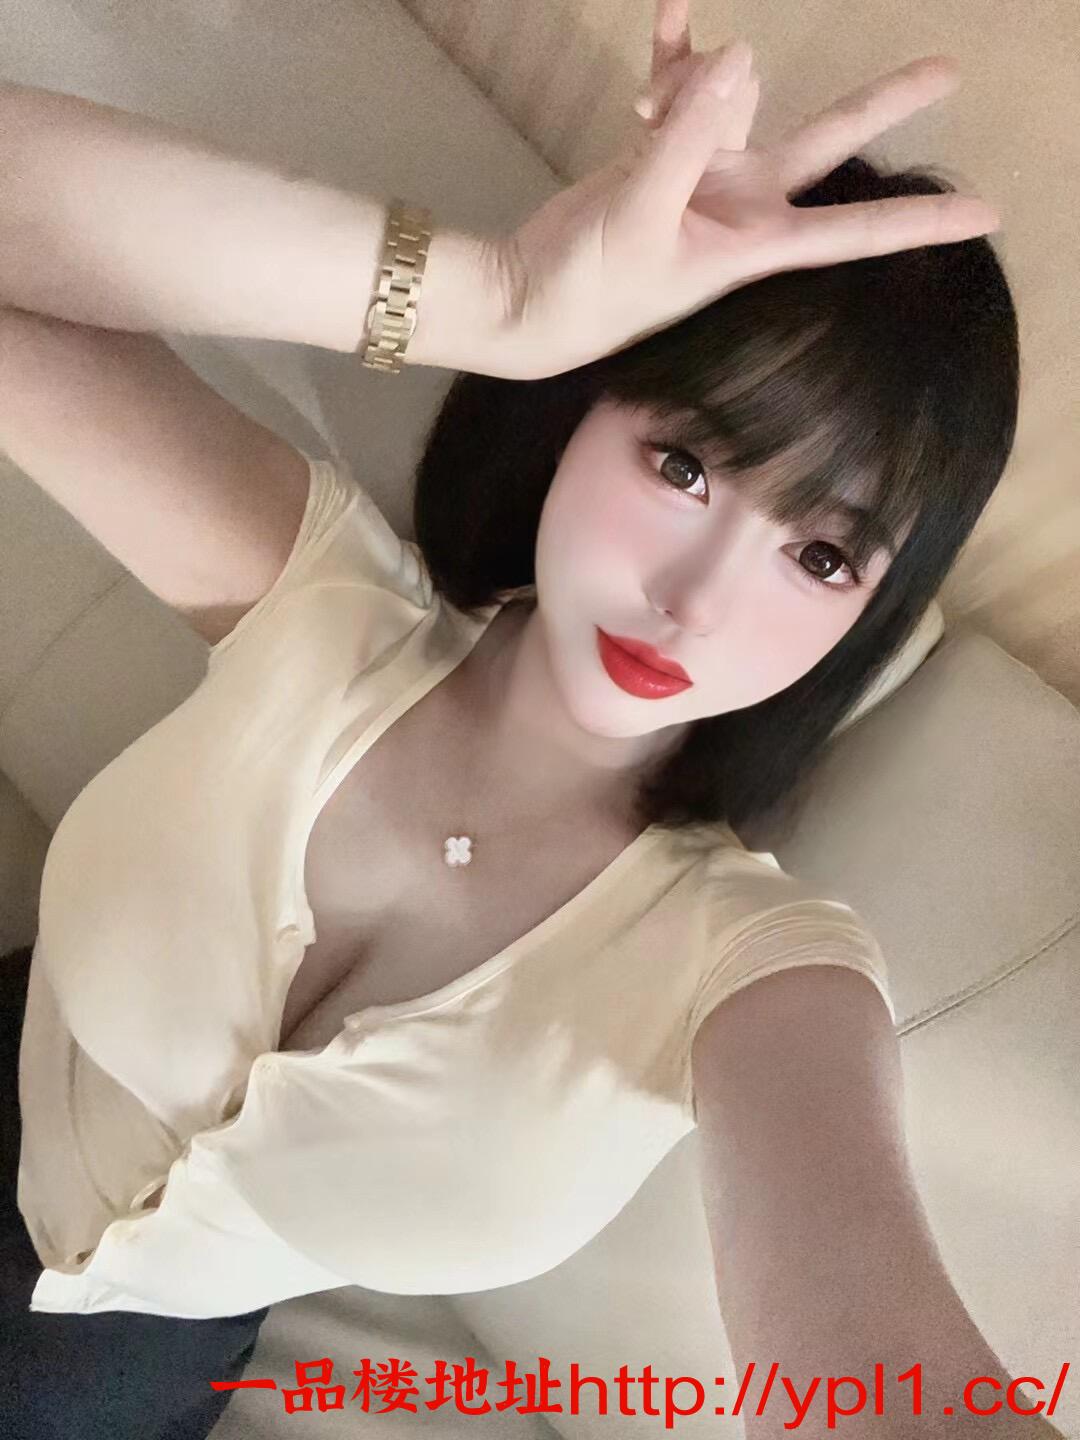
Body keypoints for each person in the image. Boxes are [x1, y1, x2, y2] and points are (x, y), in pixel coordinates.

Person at [1, 2, 1057, 1436]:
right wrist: (488, 298)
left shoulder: (759, 972)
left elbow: (873, 1355)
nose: (693, 601)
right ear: (580, 407)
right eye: (685, 465)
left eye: (821, 556)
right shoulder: (316, 596)